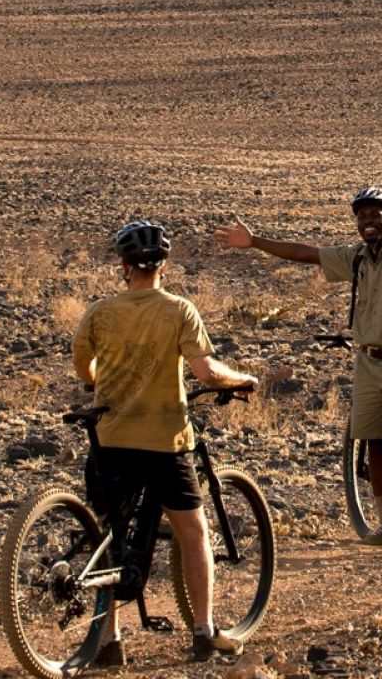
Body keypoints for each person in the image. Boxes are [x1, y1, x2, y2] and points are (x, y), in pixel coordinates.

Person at [214, 186, 382, 552]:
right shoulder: (356, 257)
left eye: (375, 214)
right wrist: (254, 241)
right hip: (367, 362)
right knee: (374, 442)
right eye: (362, 216)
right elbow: (306, 254)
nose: (368, 221)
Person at [74, 220, 262, 662]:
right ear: (165, 265)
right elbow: (207, 373)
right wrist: (242, 379)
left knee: (110, 534)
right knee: (193, 532)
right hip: (164, 441)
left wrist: (100, 383)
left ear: (124, 266)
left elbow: (83, 365)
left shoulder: (100, 311)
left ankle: (109, 640)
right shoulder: (179, 310)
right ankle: (204, 630)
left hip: (109, 440)